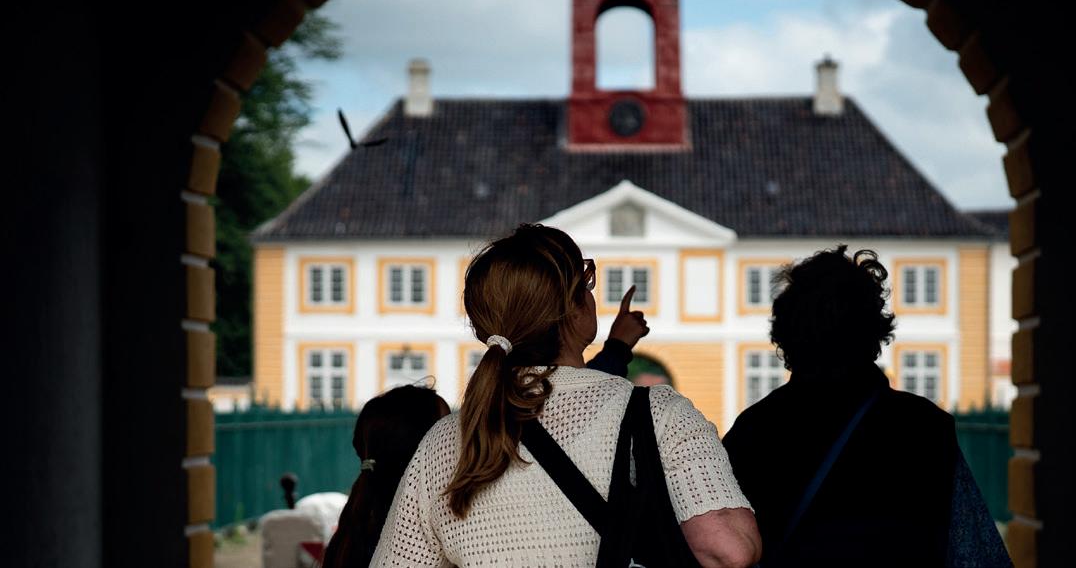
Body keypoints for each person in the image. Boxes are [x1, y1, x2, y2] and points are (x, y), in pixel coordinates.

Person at [370, 223, 760, 567]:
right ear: (575, 309)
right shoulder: (661, 414)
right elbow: (729, 552)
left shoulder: (442, 443)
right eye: (586, 285)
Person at [722, 246, 1011, 567]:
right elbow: (973, 554)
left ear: (786, 334)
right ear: (873, 332)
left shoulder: (753, 432)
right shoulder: (925, 428)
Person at [323, 384, 453, 568]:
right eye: (446, 432)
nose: (456, 441)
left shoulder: (361, 528)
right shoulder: (408, 536)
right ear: (419, 454)